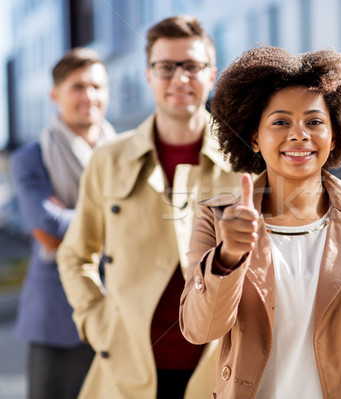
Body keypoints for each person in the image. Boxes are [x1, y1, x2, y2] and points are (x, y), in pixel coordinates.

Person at [179, 46, 341, 398]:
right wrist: (228, 256)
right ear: (254, 137)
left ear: (335, 135)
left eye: (314, 122)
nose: (299, 134)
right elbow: (200, 329)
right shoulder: (216, 219)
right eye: (280, 122)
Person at [57, 16, 240, 399]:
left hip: (220, 369)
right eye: (165, 67)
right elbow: (75, 255)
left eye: (191, 66)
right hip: (127, 370)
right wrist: (98, 323)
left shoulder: (242, 159)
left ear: (212, 75)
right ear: (148, 75)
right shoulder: (109, 159)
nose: (179, 78)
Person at [10, 48, 115, 399]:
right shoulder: (31, 157)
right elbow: (45, 222)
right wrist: (117, 220)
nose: (90, 97)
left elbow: (59, 228)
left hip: (119, 307)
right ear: (55, 95)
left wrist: (71, 223)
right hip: (57, 317)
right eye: (78, 87)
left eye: (97, 87)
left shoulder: (126, 154)